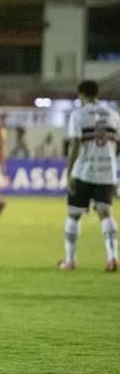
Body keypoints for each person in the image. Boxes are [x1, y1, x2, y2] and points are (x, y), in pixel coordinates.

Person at [58, 80, 120, 272]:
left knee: (74, 214)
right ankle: (112, 258)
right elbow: (118, 144)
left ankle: (70, 261)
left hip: (84, 171)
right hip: (107, 172)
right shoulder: (113, 115)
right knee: (105, 212)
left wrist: (69, 173)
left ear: (81, 94)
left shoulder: (78, 115)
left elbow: (75, 145)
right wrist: (110, 159)